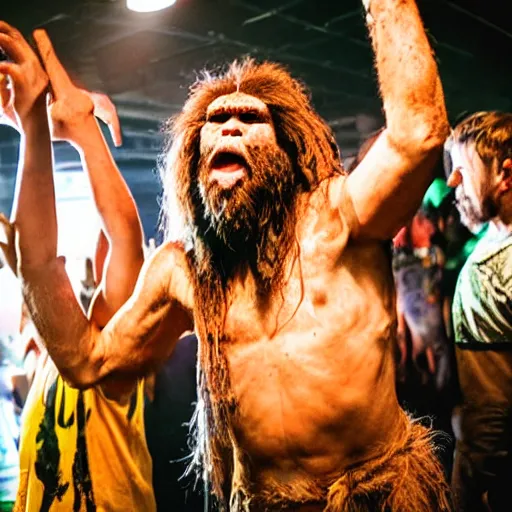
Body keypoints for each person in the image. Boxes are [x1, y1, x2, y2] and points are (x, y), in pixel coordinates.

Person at [2, 0, 453, 508]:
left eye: (248, 118)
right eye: (216, 120)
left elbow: (419, 135)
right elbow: (85, 361)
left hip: (375, 495)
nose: (230, 127)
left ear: (286, 148)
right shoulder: (183, 273)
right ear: (194, 158)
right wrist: (32, 129)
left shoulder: (339, 218)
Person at [0, 27, 154, 510]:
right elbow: (40, 266)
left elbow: (124, 233)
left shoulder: (115, 369)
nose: (101, 255)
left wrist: (64, 130)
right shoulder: (54, 359)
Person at [446, 111, 512, 512]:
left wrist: (465, 493)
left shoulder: (488, 275)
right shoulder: (492, 243)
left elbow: (491, 415)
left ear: (505, 175)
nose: (452, 181)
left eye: (462, 169)